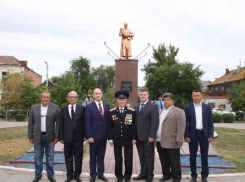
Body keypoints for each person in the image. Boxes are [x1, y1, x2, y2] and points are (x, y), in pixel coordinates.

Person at [28, 91, 59, 182]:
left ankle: (50, 175)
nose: (46, 99)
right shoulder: (34, 108)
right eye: (44, 97)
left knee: (50, 157)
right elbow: (30, 123)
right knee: (38, 156)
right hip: (38, 136)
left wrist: (57, 136)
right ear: (41, 98)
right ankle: (38, 175)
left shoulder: (55, 108)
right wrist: (30, 136)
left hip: (50, 137)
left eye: (48, 97)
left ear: (50, 98)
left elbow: (58, 123)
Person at [184, 90, 214, 182]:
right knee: (192, 156)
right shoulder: (188, 108)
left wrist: (210, 134)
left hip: (204, 134)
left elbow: (210, 122)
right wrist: (186, 135)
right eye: (194, 96)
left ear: (201, 96)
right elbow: (185, 123)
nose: (196, 97)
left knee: (204, 156)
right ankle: (193, 176)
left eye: (198, 95)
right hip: (193, 135)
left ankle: (204, 176)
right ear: (192, 97)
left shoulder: (207, 107)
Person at [156, 93, 186, 182]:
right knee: (163, 160)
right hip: (160, 140)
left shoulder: (179, 111)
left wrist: (179, 139)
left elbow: (181, 126)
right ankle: (166, 175)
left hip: (172, 140)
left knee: (174, 161)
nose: (166, 101)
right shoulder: (160, 111)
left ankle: (176, 178)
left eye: (168, 100)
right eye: (165, 100)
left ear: (173, 101)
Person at [108, 91, 137, 182]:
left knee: (128, 158)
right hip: (116, 138)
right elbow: (109, 127)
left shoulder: (131, 111)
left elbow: (134, 126)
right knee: (118, 159)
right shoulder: (112, 112)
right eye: (120, 99)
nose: (121, 101)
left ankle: (127, 176)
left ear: (126, 101)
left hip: (128, 138)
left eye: (123, 99)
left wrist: (134, 138)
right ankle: (119, 176)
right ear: (117, 100)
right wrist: (110, 139)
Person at [59, 91, 86, 182]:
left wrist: (85, 135)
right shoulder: (63, 109)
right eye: (70, 97)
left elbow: (84, 123)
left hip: (79, 137)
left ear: (77, 99)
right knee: (68, 157)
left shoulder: (82, 108)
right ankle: (69, 175)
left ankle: (77, 175)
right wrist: (61, 137)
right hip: (67, 137)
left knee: (78, 157)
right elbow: (60, 124)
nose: (72, 98)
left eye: (74, 97)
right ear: (67, 98)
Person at [133, 87, 159, 182]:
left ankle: (149, 175)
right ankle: (143, 173)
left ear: (148, 95)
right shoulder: (136, 106)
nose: (143, 96)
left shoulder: (153, 106)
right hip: (139, 137)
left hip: (148, 137)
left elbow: (155, 122)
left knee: (149, 157)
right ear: (139, 96)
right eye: (141, 94)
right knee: (141, 156)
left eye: (144, 94)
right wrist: (134, 136)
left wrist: (152, 136)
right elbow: (135, 122)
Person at [85, 88, 110, 182]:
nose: (98, 95)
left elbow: (108, 121)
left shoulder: (107, 106)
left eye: (99, 93)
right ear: (93, 95)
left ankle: (100, 174)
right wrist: (89, 136)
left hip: (103, 136)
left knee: (101, 157)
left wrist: (109, 136)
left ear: (102, 95)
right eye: (96, 93)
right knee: (92, 157)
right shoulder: (89, 107)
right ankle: (93, 174)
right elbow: (87, 122)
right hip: (93, 137)